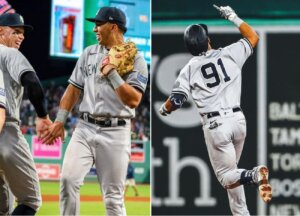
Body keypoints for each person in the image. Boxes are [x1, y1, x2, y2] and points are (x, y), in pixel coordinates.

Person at [159, 5, 272, 216]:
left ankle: (254, 174)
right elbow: (253, 37)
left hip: (216, 125)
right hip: (238, 121)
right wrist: (232, 16)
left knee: (226, 177)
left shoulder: (189, 68)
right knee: (233, 175)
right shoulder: (230, 54)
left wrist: (164, 110)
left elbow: (175, 100)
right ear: (207, 39)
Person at [41, 6, 148, 215]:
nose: (95, 29)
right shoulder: (88, 53)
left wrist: (112, 73)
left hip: (116, 131)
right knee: (68, 180)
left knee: (113, 200)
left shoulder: (136, 60)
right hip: (85, 127)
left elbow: (134, 100)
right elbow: (72, 89)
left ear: (113, 26)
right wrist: (60, 120)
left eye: (99, 24)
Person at [0, 13, 52, 215]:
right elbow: (32, 82)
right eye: (16, 31)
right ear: (0, 31)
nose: (21, 37)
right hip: (7, 132)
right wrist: (43, 116)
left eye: (22, 33)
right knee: (31, 200)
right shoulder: (9, 53)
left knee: (3, 208)